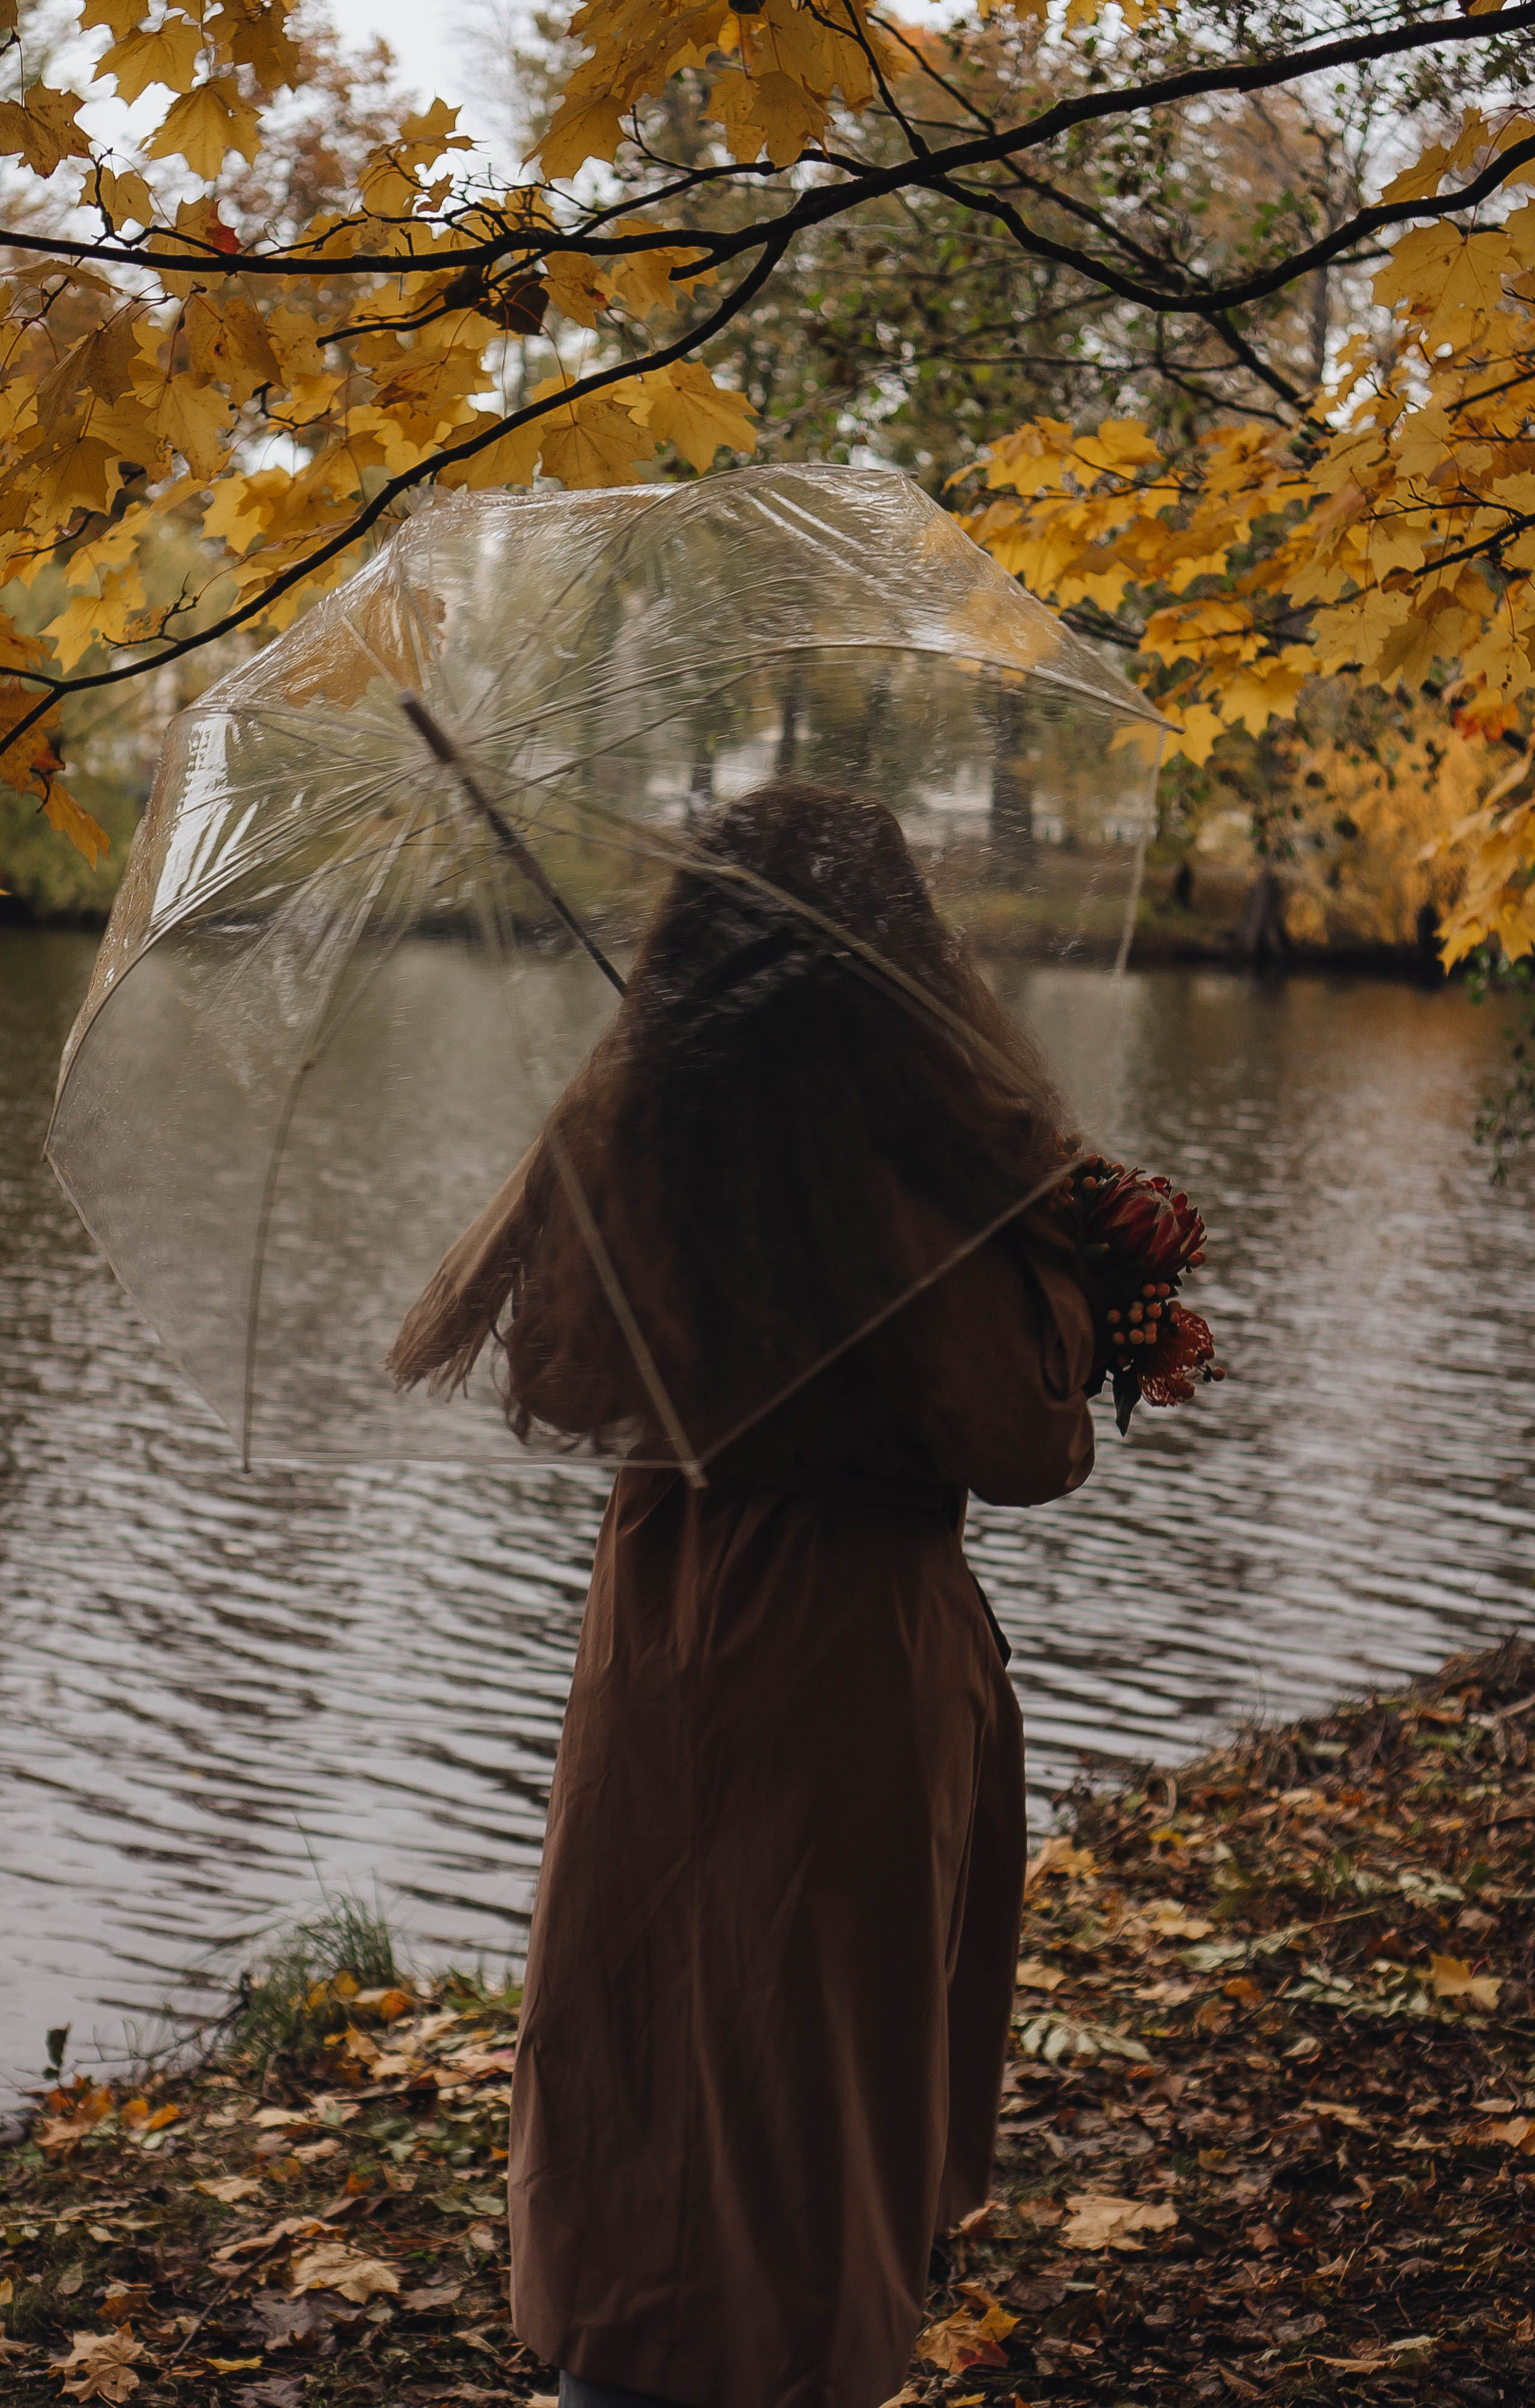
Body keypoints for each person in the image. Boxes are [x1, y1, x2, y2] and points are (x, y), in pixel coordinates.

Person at [390, 783, 1096, 2408]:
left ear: (688, 937)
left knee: (648, 2045)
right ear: (893, 946)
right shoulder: (936, 1161)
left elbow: (560, 1382)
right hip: (853, 1641)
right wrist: (1063, 1281)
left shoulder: (636, 1119)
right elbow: (1025, 1444)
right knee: (813, 2080)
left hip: (667, 1624)